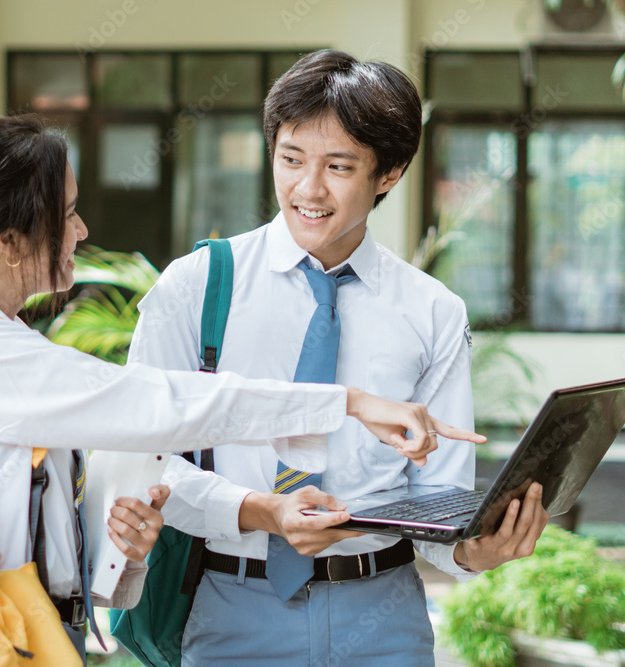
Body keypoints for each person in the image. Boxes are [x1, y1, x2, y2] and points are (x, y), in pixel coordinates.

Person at [0, 115, 485, 663]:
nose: (80, 231)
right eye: (68, 214)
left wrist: (126, 545)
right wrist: (348, 403)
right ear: (8, 240)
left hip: (26, 631)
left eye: (338, 165)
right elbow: (164, 406)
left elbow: (44, 525)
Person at [129, 50, 550, 665]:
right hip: (233, 608)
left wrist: (468, 551)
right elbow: (142, 461)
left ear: (390, 173)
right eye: (292, 159)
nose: (308, 188)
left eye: (338, 166)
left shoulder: (431, 310)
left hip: (383, 615)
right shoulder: (195, 288)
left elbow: (437, 495)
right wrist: (264, 513)